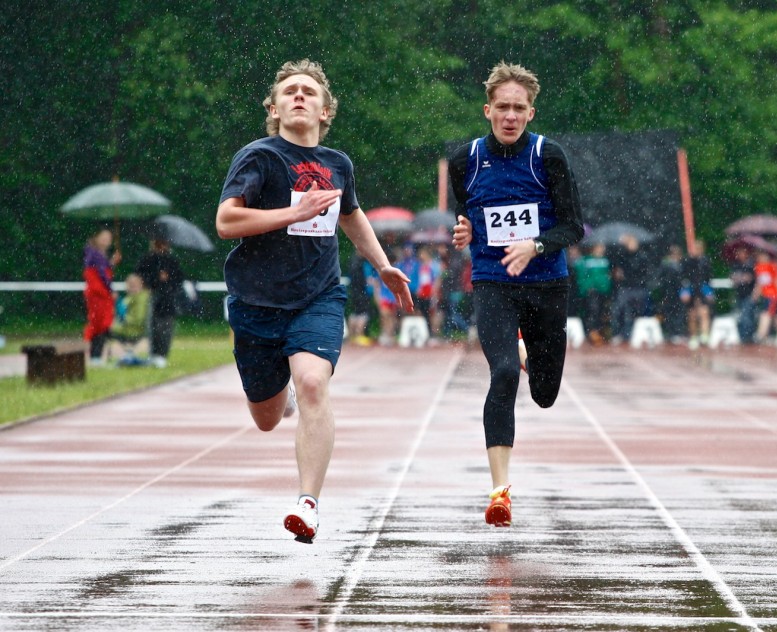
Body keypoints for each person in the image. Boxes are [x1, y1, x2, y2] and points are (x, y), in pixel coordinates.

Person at [216, 59, 412, 543]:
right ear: (274, 107)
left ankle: (308, 503)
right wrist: (292, 212)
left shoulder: (337, 164)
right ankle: (275, 396)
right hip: (256, 302)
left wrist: (382, 264)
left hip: (318, 298)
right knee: (265, 418)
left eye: (308, 92)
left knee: (312, 383)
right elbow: (226, 223)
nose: (299, 96)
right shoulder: (258, 158)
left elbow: (351, 215)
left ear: (326, 111)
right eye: (290, 91)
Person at [449, 61, 584, 527]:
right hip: (493, 282)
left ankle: (531, 351)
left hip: (547, 284)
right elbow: (465, 213)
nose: (509, 116)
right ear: (487, 110)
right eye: (501, 107)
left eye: (518, 109)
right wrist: (463, 231)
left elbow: (574, 226)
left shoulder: (549, 156)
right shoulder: (463, 159)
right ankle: (499, 490)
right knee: (503, 372)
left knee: (544, 394)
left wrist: (536, 245)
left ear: (530, 113)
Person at [135, 238, 184, 369]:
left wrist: (168, 278)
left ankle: (162, 355)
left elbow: (178, 279)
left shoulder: (172, 260)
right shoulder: (148, 259)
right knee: (153, 327)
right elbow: (141, 275)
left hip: (168, 299)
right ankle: (153, 354)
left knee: (166, 328)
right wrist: (156, 278)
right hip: (153, 297)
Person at [82, 227, 121, 366]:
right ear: (96, 237)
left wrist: (111, 263)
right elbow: (102, 275)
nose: (106, 240)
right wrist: (111, 290)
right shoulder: (95, 253)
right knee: (100, 324)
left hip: (98, 294)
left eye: (108, 238)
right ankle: (96, 357)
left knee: (99, 324)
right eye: (103, 237)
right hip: (99, 295)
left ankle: (96, 356)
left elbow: (103, 270)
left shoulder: (95, 253)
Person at [608, 234, 651, 345]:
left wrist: (636, 280)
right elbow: (616, 265)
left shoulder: (642, 256)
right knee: (619, 311)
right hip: (625, 288)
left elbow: (645, 273)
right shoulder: (622, 255)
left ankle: (629, 334)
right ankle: (618, 334)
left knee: (635, 312)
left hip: (638, 288)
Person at [105, 272, 151, 365]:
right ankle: (128, 354)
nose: (131, 288)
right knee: (106, 327)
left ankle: (127, 354)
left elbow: (138, 318)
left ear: (141, 285)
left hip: (134, 329)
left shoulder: (141, 298)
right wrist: (117, 303)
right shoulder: (131, 297)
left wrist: (123, 319)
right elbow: (121, 310)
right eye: (129, 285)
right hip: (128, 327)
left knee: (106, 329)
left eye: (134, 285)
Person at [572, 242, 611, 345]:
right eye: (600, 246)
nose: (602, 249)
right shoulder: (586, 261)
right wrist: (587, 287)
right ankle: (592, 333)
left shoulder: (605, 261)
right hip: (592, 291)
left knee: (602, 312)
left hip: (604, 291)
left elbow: (608, 275)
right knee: (593, 311)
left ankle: (600, 333)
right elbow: (581, 276)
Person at [681, 239, 715, 349]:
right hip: (691, 288)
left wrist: (709, 292)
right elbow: (684, 277)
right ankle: (694, 337)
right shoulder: (687, 261)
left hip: (703, 288)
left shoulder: (706, 261)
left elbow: (708, 278)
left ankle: (704, 335)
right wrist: (685, 291)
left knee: (704, 312)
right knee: (692, 315)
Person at [750, 247, 777, 343]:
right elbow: (759, 283)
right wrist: (756, 294)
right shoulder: (758, 267)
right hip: (765, 295)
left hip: (772, 295)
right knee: (775, 316)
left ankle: (761, 335)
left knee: (765, 314)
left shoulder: (772, 266)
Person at [655, 244, 687, 343]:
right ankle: (672, 334)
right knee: (670, 313)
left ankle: (678, 333)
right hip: (668, 293)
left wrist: (684, 290)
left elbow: (684, 279)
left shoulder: (682, 265)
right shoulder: (665, 265)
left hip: (679, 293)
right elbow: (660, 278)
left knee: (679, 313)